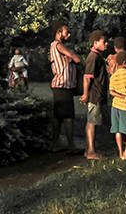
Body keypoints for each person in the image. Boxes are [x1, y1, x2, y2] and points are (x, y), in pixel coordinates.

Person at [49, 21, 81, 152]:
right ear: (58, 32)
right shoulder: (58, 45)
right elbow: (76, 58)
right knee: (68, 116)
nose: (68, 34)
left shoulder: (55, 46)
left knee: (59, 116)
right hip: (63, 85)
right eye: (66, 31)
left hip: (60, 85)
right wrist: (72, 57)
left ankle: (56, 143)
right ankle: (70, 145)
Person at [80, 29, 108, 159]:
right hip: (94, 94)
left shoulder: (98, 56)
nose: (106, 44)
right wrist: (85, 94)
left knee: (93, 121)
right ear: (95, 42)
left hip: (98, 93)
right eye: (104, 41)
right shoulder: (93, 57)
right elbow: (87, 77)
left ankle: (89, 149)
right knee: (92, 121)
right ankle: (91, 151)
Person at [108, 51, 126, 159]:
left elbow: (111, 92)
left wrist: (120, 96)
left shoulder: (113, 76)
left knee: (118, 130)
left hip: (115, 106)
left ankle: (120, 152)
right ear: (125, 63)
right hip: (125, 106)